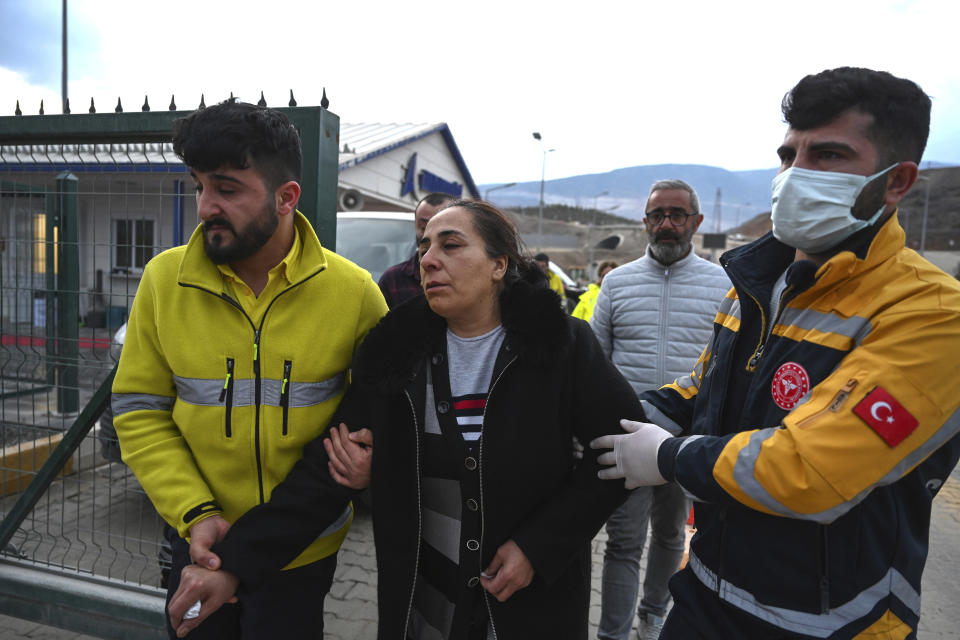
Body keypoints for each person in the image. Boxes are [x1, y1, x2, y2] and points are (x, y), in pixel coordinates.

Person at [591, 67, 960, 639]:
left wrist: (667, 457)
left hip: (831, 621)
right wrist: (609, 420)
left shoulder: (932, 312)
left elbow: (810, 469)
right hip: (707, 591)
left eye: (829, 155)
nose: (795, 175)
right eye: (789, 155)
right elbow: (698, 390)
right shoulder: (763, 286)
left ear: (896, 182)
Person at [168, 200, 643, 640]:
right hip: (425, 601)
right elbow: (323, 475)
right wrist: (231, 564)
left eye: (451, 245)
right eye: (424, 248)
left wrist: (539, 547)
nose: (429, 259)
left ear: (500, 265)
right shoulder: (396, 353)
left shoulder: (561, 345)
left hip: (529, 602)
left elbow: (622, 452)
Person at [111, 100, 388, 639]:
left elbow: (377, 417)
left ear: (287, 198)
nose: (204, 207)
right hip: (199, 542)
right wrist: (195, 514)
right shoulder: (164, 282)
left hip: (303, 547)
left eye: (227, 190)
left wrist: (374, 464)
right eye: (199, 187)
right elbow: (139, 407)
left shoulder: (354, 293)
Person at [590, 180, 730, 640]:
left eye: (677, 215)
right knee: (624, 543)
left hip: (686, 442)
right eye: (657, 215)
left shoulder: (725, 286)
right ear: (645, 221)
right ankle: (612, 634)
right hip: (626, 440)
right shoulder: (617, 281)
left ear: (697, 222)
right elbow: (593, 363)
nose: (667, 224)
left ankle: (652, 618)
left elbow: (727, 370)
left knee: (671, 536)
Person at [378, 192, 456, 308]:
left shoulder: (469, 276)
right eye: (424, 227)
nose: (429, 233)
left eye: (441, 226)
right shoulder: (393, 280)